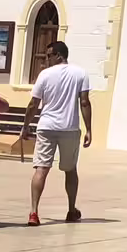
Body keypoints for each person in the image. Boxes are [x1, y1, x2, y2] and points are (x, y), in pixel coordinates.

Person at [22, 40, 91, 225]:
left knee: (41, 169)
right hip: (69, 128)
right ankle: (71, 209)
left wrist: (26, 126)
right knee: (70, 169)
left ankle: (34, 212)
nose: (47, 59)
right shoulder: (81, 73)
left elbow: (33, 104)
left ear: (59, 55)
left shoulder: (44, 75)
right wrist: (89, 129)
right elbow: (84, 102)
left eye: (49, 55)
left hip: (46, 127)